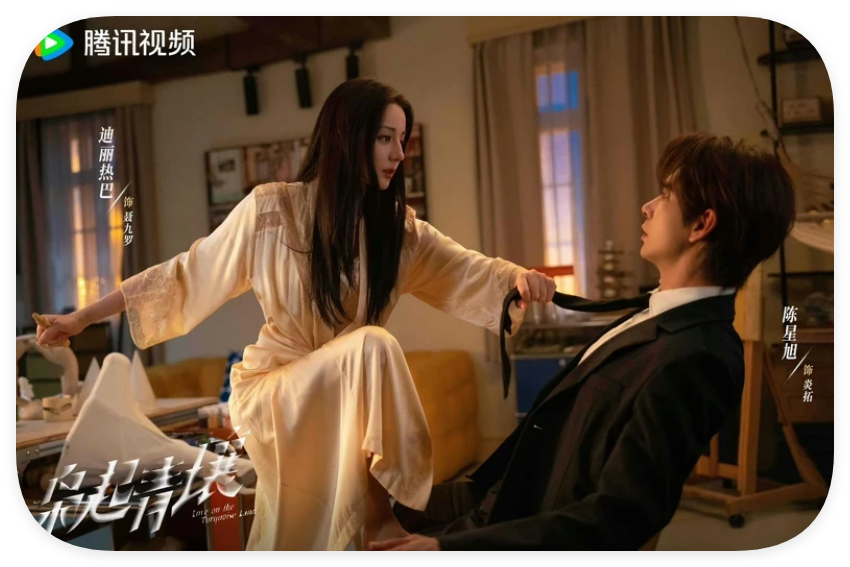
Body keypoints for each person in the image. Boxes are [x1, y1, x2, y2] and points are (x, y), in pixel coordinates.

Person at [34, 78, 557, 551]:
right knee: (373, 343)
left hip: (343, 387)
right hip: (274, 389)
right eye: (384, 138)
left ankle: (368, 524)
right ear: (346, 137)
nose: (399, 153)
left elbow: (464, 267)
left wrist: (516, 277)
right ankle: (381, 519)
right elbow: (184, 273)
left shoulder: (396, 230)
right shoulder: (271, 210)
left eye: (403, 139)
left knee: (365, 353)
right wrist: (82, 318)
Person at [370, 132, 797, 551]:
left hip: (518, 530)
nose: (648, 206)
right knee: (352, 504)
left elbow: (618, 517)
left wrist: (443, 548)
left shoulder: (698, 356)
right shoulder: (659, 316)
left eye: (666, 195)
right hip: (495, 501)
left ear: (702, 224)